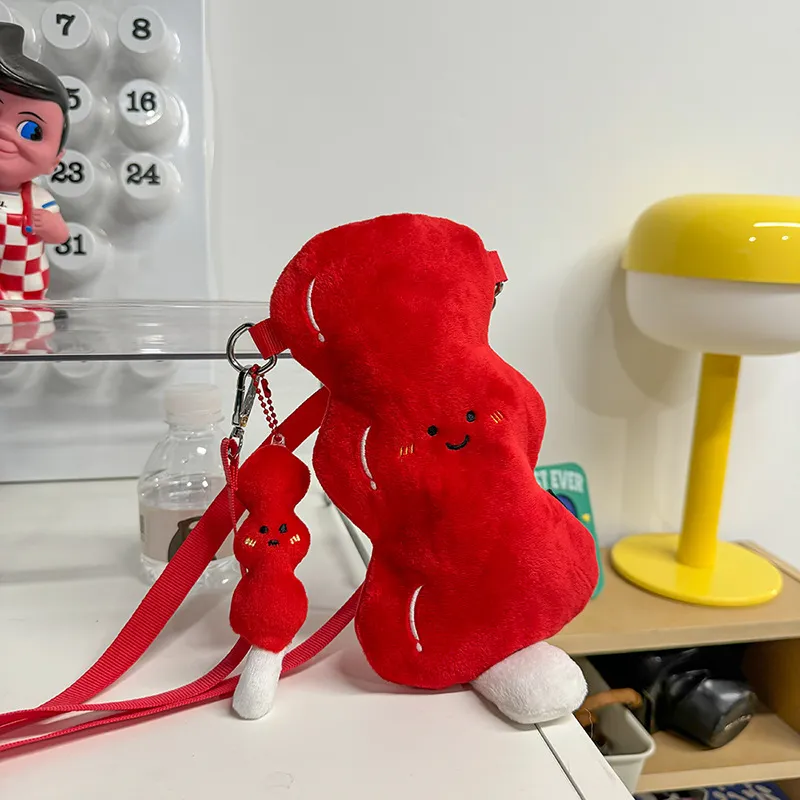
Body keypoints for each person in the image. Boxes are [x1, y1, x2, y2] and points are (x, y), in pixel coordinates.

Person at [0, 22, 69, 341]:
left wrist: (51, 227)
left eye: (31, 131)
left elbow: (61, 234)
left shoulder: (38, 198)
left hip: (25, 293)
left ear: (56, 158)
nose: (4, 134)